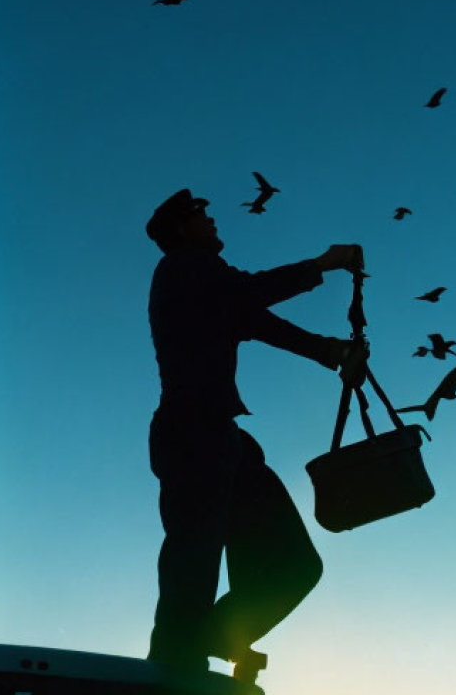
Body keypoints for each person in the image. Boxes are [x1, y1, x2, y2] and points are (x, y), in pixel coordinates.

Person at [143, 188, 365, 683]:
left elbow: (257, 321)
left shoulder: (207, 286)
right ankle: (172, 668)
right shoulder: (183, 268)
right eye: (204, 215)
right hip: (192, 435)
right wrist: (323, 264)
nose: (214, 220)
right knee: (192, 567)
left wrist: (331, 352)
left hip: (225, 441)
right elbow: (247, 297)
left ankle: (202, 642)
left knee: (294, 567)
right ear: (183, 229)